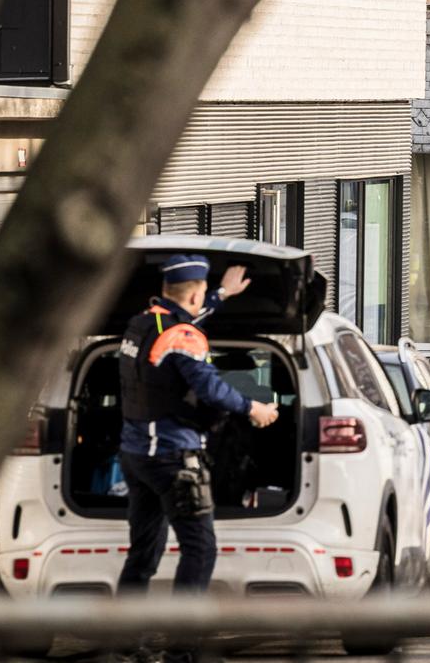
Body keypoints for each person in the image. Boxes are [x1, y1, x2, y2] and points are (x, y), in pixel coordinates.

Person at [117, 254, 279, 604]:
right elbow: (212, 390)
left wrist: (221, 294)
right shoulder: (183, 337)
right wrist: (255, 408)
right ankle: (182, 636)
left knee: (144, 551)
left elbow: (184, 320)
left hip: (135, 454)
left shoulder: (142, 324)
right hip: (170, 457)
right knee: (200, 548)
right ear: (194, 295)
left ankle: (123, 632)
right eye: (202, 293)